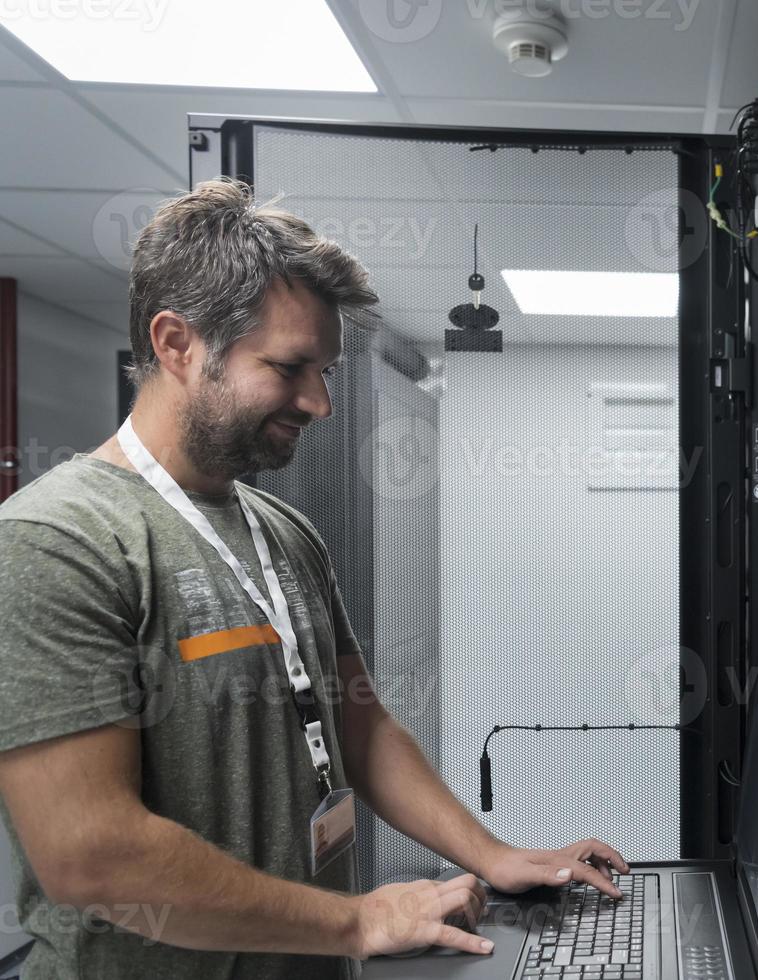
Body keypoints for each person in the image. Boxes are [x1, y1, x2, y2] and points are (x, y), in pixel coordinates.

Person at [0, 178, 629, 980]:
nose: (321, 403)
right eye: (292, 367)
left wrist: (496, 856)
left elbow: (359, 727)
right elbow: (91, 856)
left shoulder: (282, 531)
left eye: (325, 371)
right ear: (176, 344)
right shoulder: (59, 542)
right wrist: (357, 921)